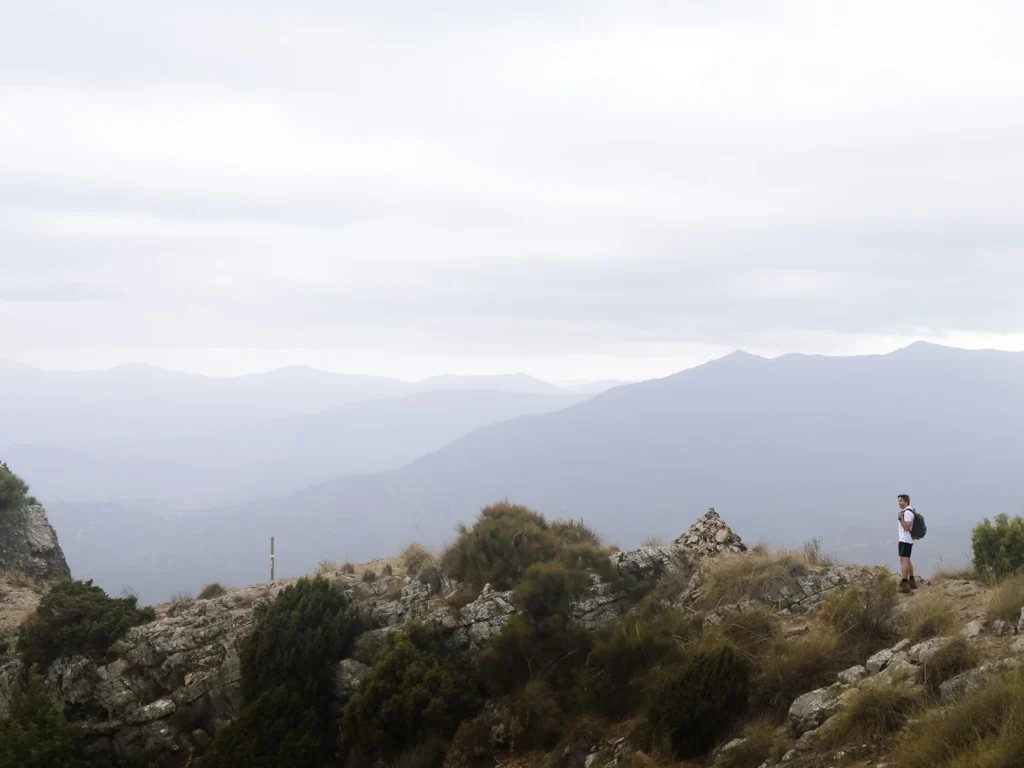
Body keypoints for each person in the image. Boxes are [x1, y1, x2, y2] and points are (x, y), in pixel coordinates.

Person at [897, 494, 917, 593]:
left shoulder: (907, 513)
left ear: (906, 501)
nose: (899, 502)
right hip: (906, 540)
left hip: (905, 540)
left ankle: (905, 583)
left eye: (901, 501)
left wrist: (900, 519)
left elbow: (907, 527)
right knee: (907, 561)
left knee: (904, 562)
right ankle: (912, 580)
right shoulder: (907, 511)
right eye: (899, 500)